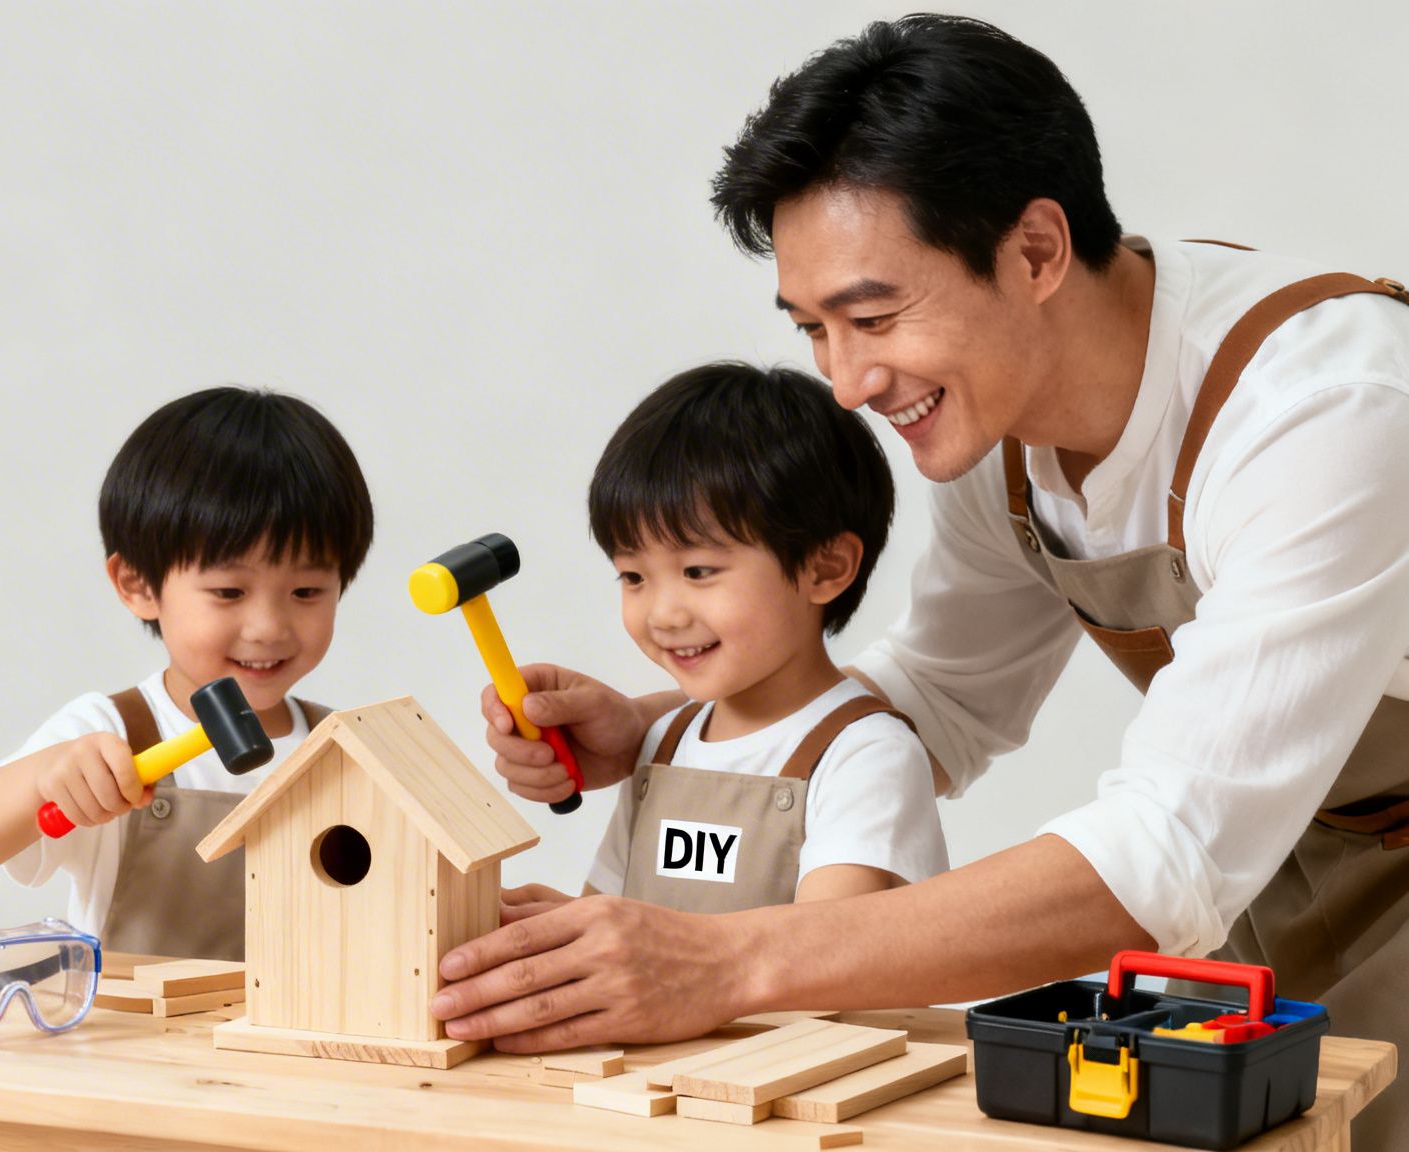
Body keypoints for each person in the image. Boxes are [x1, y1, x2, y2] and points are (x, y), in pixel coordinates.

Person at [429, 14, 1409, 1146]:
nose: (844, 384)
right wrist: (669, 731)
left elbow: (1164, 850)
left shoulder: (1321, 416)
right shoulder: (993, 426)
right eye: (812, 331)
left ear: (1034, 252)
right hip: (1286, 850)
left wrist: (717, 959)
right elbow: (941, 698)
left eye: (872, 316)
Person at [0, 386, 374, 962]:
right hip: (135, 1046)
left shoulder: (345, 750)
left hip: (292, 1045)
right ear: (138, 585)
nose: (268, 626)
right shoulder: (109, 734)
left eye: (307, 591)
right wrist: (47, 775)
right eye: (229, 591)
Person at [562, 361, 945, 914]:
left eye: (697, 571)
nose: (663, 615)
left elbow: (824, 957)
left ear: (825, 569)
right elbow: (609, 920)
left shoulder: (866, 755)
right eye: (634, 577)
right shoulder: (665, 743)